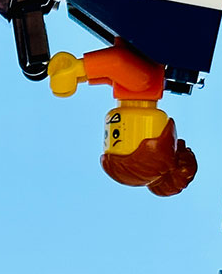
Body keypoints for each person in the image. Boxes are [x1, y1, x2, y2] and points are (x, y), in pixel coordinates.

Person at [46, 40, 196, 196]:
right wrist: (77, 69)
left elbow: (109, 74)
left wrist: (78, 76)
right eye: (116, 135)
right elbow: (117, 62)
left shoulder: (137, 86)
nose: (110, 132)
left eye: (107, 137)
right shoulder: (143, 81)